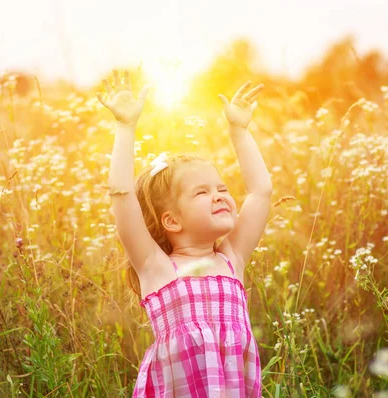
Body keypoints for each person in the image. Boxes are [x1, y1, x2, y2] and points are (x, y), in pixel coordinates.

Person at [97, 69, 272, 397]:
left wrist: (239, 131)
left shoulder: (232, 260)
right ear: (172, 221)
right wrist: (125, 127)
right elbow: (121, 194)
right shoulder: (156, 267)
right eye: (201, 192)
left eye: (221, 188)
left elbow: (261, 191)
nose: (219, 195)